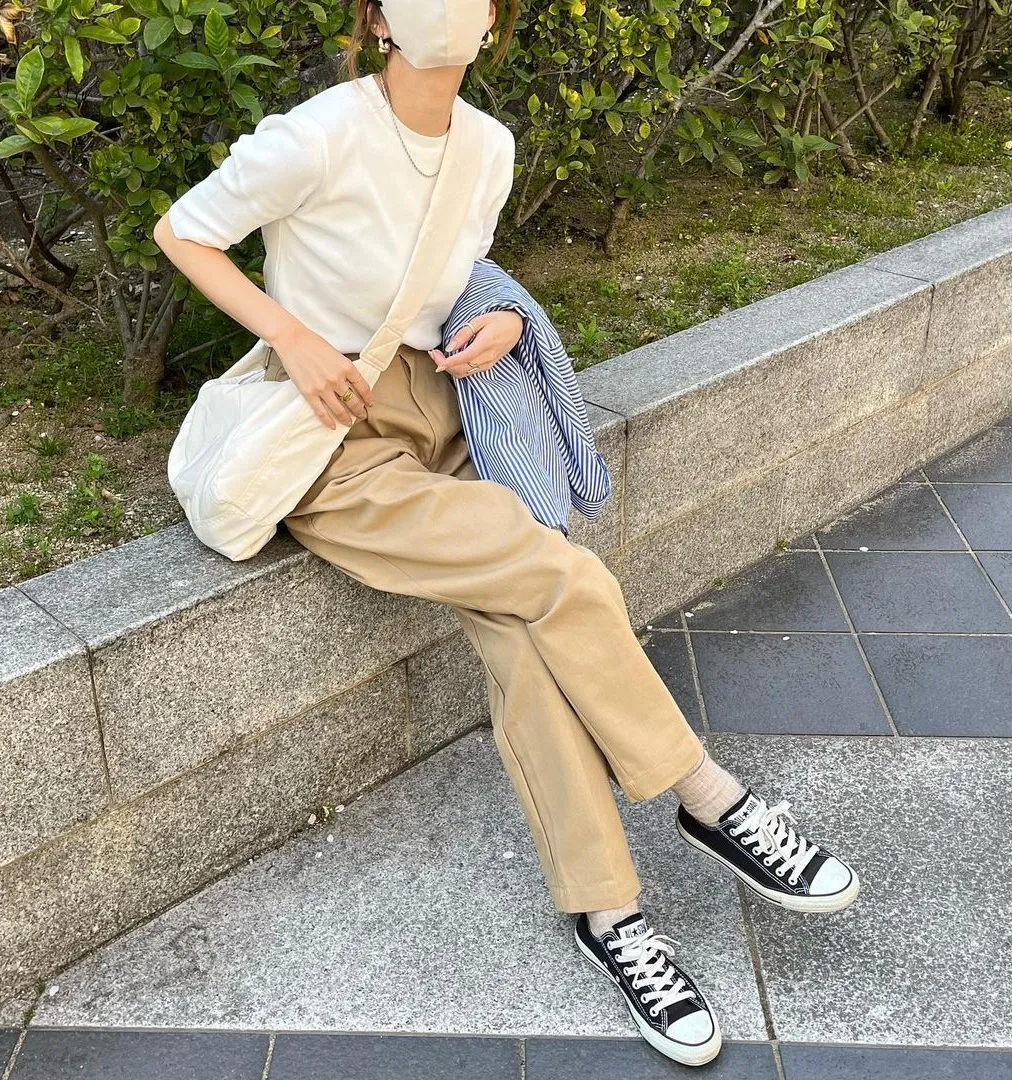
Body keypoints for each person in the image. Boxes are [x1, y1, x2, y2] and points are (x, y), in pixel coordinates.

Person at [153, 0, 860, 1067]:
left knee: (528, 634)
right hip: (337, 441)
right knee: (557, 575)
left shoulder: (489, 145)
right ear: (378, 19)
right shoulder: (321, 133)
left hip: (447, 408)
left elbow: (460, 271)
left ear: (492, 21)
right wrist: (291, 337)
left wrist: (509, 318)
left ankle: (609, 916)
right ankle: (709, 797)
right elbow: (184, 229)